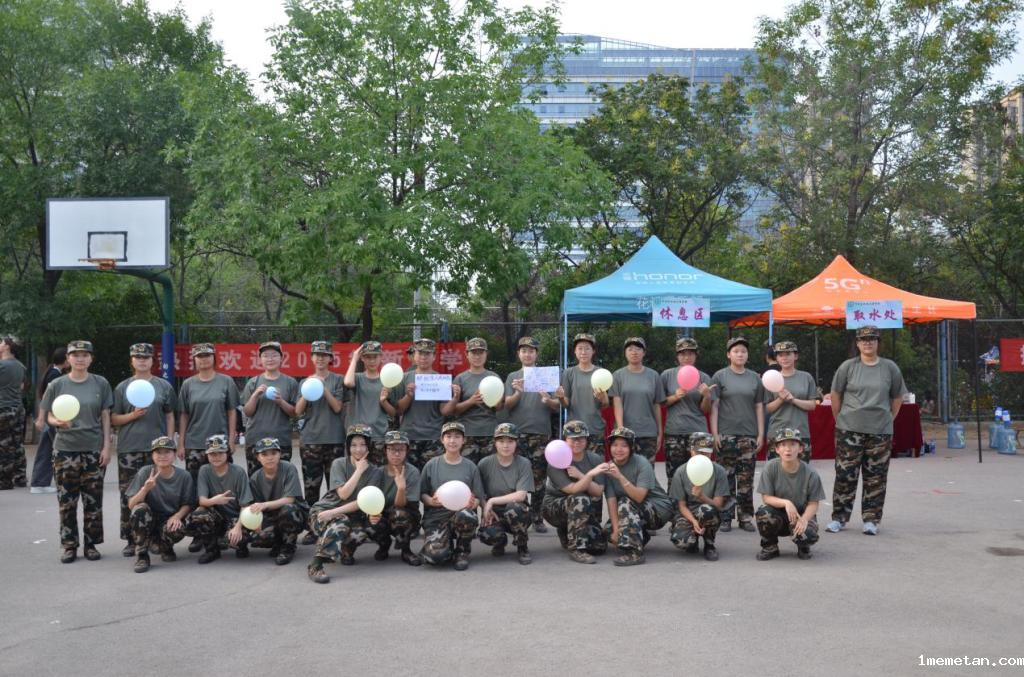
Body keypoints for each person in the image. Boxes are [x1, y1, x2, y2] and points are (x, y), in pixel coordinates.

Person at [826, 325, 907, 536]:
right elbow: (836, 394)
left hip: (880, 431)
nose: (868, 342)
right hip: (849, 429)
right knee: (845, 475)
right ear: (857, 343)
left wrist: (889, 418)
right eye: (863, 339)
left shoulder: (889, 368)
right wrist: (840, 419)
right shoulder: (848, 367)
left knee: (876, 477)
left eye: (872, 338)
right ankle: (839, 518)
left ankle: (871, 519)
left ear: (878, 342)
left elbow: (897, 396)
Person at [39, 340, 113, 563]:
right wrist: (58, 422)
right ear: (68, 358)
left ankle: (91, 544)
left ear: (91, 358)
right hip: (65, 450)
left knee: (93, 502)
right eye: (75, 355)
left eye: (84, 355)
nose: (80, 359)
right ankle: (69, 545)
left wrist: (106, 447)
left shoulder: (100, 383)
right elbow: (46, 416)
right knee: (67, 502)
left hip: (93, 450)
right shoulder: (57, 384)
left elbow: (106, 416)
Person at [111, 343, 178, 557]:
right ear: (131, 361)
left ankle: (157, 537)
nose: (142, 361)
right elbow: (114, 418)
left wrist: (170, 442)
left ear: (152, 361)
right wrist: (133, 415)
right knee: (129, 494)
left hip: (157, 451)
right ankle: (132, 539)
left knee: (157, 494)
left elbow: (170, 415)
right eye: (137, 357)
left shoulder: (163, 386)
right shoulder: (122, 387)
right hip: (129, 449)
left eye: (146, 357)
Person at [305, 424, 381, 583]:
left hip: (346, 514)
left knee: (360, 533)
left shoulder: (375, 471)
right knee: (341, 522)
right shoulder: (339, 463)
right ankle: (316, 565)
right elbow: (343, 494)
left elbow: (362, 503)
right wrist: (358, 471)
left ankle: (345, 548)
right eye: (353, 445)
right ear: (347, 447)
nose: (358, 449)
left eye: (362, 444)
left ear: (369, 446)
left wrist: (361, 469)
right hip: (324, 511)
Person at [503, 336, 559, 533]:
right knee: (516, 477)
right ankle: (520, 515)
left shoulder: (546, 376)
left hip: (540, 434)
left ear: (537, 354)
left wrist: (548, 399)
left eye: (531, 351)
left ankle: (537, 517)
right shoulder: (513, 376)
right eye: (524, 351)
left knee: (539, 479)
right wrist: (517, 393)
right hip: (516, 435)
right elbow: (506, 404)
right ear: (518, 354)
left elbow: (557, 406)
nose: (527, 354)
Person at [710, 336, 765, 533]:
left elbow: (759, 406)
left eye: (743, 351)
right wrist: (715, 433)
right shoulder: (720, 376)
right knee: (725, 478)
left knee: (746, 479)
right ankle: (725, 517)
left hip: (748, 434)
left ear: (747, 355)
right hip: (726, 434)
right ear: (728, 355)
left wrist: (761, 433)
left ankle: (745, 517)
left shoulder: (754, 378)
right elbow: (714, 406)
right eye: (736, 351)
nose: (740, 354)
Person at [295, 340, 345, 544]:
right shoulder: (304, 382)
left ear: (330, 358)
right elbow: (298, 411)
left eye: (325, 355)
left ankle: (334, 525)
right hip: (311, 441)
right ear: (312, 358)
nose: (321, 358)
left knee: (335, 487)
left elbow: (338, 408)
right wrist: (308, 390)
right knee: (311, 487)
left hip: (334, 440)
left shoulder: (337, 380)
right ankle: (312, 527)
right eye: (317, 354)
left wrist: (323, 389)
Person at [419, 421, 486, 571]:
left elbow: (478, 497)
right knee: (436, 558)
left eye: (457, 436)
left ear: (463, 440)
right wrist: (430, 501)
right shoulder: (431, 465)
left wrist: (473, 504)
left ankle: (462, 551)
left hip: (460, 515)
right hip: (437, 517)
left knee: (468, 516)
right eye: (448, 436)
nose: (452, 440)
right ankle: (444, 545)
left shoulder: (471, 467)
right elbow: (422, 494)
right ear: (442, 440)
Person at [603, 426, 674, 566]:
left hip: (658, 509)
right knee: (608, 531)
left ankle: (635, 553)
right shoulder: (609, 467)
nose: (618, 449)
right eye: (615, 445)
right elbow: (611, 500)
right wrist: (616, 530)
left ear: (631, 447)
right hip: (633, 508)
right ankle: (641, 536)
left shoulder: (642, 463)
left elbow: (639, 497)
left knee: (625, 501)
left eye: (624, 445)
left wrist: (620, 477)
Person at [541, 420, 608, 564]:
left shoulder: (595, 459)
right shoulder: (556, 459)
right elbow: (572, 489)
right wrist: (589, 476)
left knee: (600, 546)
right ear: (565, 439)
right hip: (555, 508)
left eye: (581, 438)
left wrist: (581, 475)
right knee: (580, 497)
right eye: (573, 439)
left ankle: (567, 531)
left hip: (582, 509)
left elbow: (598, 492)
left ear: (586, 439)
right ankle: (577, 549)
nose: (577, 443)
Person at [126, 436, 195, 573]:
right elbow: (131, 504)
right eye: (158, 452)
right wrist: (145, 489)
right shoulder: (145, 472)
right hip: (149, 520)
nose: (162, 456)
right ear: (152, 455)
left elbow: (188, 504)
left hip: (168, 520)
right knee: (139, 509)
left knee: (179, 526)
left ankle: (165, 547)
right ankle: (142, 555)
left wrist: (177, 516)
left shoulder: (184, 476)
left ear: (174, 455)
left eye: (167, 452)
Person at [755, 429, 825, 560]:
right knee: (763, 514)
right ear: (777, 449)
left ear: (800, 449)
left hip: (801, 514)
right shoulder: (770, 467)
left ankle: (803, 546)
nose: (788, 449)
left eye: (793, 444)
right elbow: (766, 498)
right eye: (783, 445)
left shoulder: (811, 473)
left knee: (809, 533)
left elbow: (813, 503)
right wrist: (786, 503)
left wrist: (804, 519)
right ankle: (770, 547)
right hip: (779, 514)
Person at [184, 434, 254, 563]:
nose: (216, 457)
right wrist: (215, 500)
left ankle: (241, 546)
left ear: (227, 453)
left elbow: (245, 505)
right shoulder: (204, 470)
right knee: (199, 513)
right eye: (212, 454)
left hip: (236, 517)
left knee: (239, 537)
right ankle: (212, 550)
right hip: (216, 516)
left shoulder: (238, 472)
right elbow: (202, 501)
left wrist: (238, 527)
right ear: (207, 455)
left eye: (220, 453)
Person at [177, 343, 239, 480]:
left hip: (220, 443)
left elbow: (232, 412)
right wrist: (181, 444)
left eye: (207, 355)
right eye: (200, 356)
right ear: (194, 359)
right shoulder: (188, 384)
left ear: (214, 358)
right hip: (194, 443)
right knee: (194, 484)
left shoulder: (226, 381)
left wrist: (231, 440)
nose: (204, 359)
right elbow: (184, 415)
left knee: (222, 483)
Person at [476, 423, 534, 565]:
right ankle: (500, 542)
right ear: (495, 443)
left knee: (514, 507)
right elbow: (479, 491)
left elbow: (520, 495)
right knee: (486, 534)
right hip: (495, 513)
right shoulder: (484, 464)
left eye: (510, 441)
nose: (505, 446)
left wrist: (492, 501)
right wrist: (485, 506)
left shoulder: (524, 463)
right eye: (501, 441)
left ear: (516, 443)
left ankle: (522, 546)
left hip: (517, 512)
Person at [245, 437, 308, 565]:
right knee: (259, 539)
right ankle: (278, 542)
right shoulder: (255, 478)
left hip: (295, 513)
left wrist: (264, 505)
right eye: (264, 454)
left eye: (274, 453)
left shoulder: (288, 468)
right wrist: (257, 524)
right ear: (258, 457)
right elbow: (256, 506)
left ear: (280, 454)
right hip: (272, 514)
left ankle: (288, 547)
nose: (270, 458)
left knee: (288, 509)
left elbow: (290, 499)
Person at [668, 432, 730, 562]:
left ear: (711, 453)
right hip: (688, 512)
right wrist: (693, 521)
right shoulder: (681, 471)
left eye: (706, 453)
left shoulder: (719, 471)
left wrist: (702, 497)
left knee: (707, 510)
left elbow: (718, 505)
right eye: (699, 452)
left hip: (709, 510)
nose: (702, 456)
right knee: (682, 542)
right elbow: (681, 505)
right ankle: (693, 538)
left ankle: (709, 544)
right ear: (691, 451)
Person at [660, 337, 715, 483]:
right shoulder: (667, 375)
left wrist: (707, 396)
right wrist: (675, 397)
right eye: (682, 354)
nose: (686, 357)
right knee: (674, 477)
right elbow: (661, 403)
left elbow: (706, 410)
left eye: (690, 353)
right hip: (674, 432)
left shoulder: (704, 377)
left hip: (698, 432)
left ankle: (697, 499)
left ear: (696, 355)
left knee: (699, 479)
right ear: (677, 356)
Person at [241, 341, 299, 476]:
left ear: (281, 358)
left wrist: (281, 402)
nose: (270, 359)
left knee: (281, 479)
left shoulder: (290, 382)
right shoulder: (253, 382)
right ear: (260, 359)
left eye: (274, 355)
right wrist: (255, 395)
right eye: (266, 356)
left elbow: (295, 413)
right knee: (255, 479)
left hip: (280, 440)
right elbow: (247, 412)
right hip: (255, 440)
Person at [443, 337, 504, 463]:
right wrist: (471, 401)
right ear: (467, 354)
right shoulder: (460, 379)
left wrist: (493, 400)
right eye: (474, 353)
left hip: (489, 431)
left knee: (489, 469)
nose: (477, 356)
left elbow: (499, 407)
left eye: (481, 352)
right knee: (468, 469)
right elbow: (453, 410)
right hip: (467, 433)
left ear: (486, 354)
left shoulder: (494, 377)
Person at [609, 337, 666, 464]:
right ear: (625, 353)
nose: (634, 352)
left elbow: (656, 406)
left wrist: (660, 432)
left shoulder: (653, 376)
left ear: (644, 352)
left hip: (648, 433)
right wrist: (621, 429)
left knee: (647, 470)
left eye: (638, 349)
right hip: (625, 433)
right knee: (623, 470)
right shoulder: (617, 376)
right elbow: (617, 403)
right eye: (630, 349)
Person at [392, 338, 444, 469]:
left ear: (434, 356)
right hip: (409, 435)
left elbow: (445, 411)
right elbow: (398, 410)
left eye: (427, 354)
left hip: (434, 435)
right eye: (420, 353)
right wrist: (408, 396)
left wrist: (455, 398)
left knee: (432, 475)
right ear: (414, 355)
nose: (423, 357)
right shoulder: (404, 378)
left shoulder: (440, 379)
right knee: (409, 475)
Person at [372, 430, 422, 565]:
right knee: (370, 522)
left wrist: (401, 488)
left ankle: (406, 550)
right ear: (385, 450)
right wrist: (372, 514)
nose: (396, 454)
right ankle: (384, 545)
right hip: (383, 514)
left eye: (401, 449)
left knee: (399, 514)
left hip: (407, 515)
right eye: (392, 449)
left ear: (407, 451)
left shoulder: (412, 472)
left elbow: (403, 505)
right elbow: (371, 501)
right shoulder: (378, 472)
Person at [764, 340, 818, 463]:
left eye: (788, 354)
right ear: (776, 358)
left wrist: (793, 400)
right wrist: (780, 399)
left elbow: (812, 405)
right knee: (776, 471)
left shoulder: (806, 377)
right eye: (780, 355)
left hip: (800, 432)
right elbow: (766, 409)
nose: (784, 358)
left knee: (801, 470)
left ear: (796, 356)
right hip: (777, 433)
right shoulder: (770, 378)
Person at [557, 333, 610, 456]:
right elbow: (566, 403)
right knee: (574, 464)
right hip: (573, 430)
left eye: (587, 348)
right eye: (580, 348)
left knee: (596, 463)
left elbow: (606, 404)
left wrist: (602, 398)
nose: (583, 352)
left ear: (593, 351)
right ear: (575, 351)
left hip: (595, 427)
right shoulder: (568, 373)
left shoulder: (601, 373)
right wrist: (560, 398)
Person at [343, 341, 392, 465]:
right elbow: (348, 382)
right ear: (362, 358)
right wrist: (354, 358)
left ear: (381, 357)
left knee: (378, 473)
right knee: (356, 473)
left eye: (375, 357)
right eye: (368, 357)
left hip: (379, 435)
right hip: (358, 436)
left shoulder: (387, 380)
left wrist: (384, 401)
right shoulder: (357, 378)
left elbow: (393, 412)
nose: (372, 361)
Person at [30, 346, 67, 493]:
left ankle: (39, 483)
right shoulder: (54, 375)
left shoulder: (52, 372)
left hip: (50, 416)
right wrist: (41, 418)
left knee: (47, 449)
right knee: (50, 450)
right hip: (52, 417)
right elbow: (47, 397)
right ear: (65, 359)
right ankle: (40, 483)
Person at [0, 335, 27, 490]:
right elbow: (22, 387)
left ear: (7, 347)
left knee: (4, 444)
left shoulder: (2, 365)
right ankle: (20, 477)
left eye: (1, 342)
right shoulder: (20, 366)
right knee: (17, 443)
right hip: (18, 408)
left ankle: (4, 481)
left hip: (3, 408)